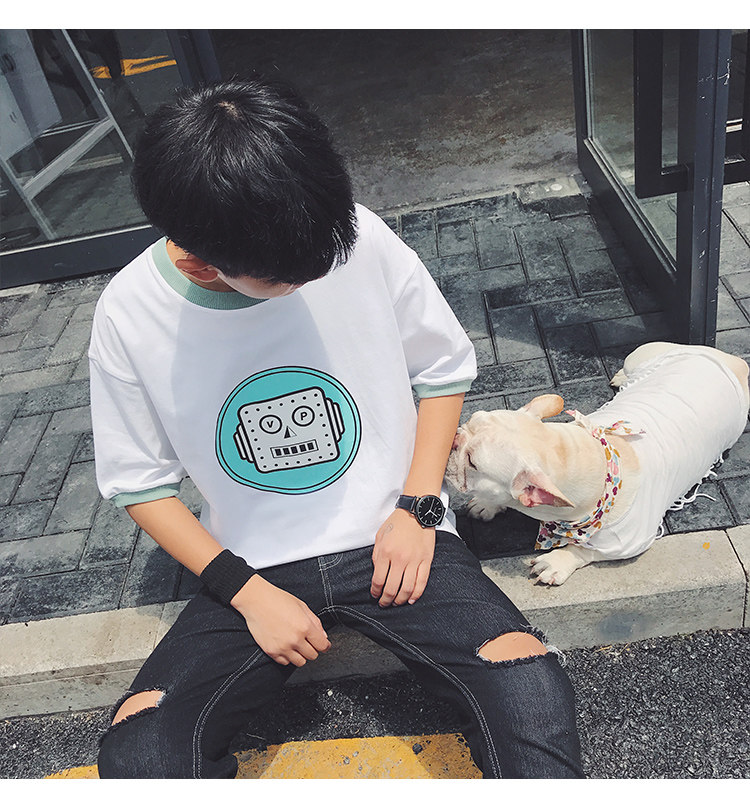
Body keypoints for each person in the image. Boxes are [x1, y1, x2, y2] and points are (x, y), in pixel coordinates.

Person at [90, 77, 583, 779]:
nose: (313, 276)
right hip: (251, 563)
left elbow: (442, 368)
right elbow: (137, 482)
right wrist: (247, 592)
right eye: (284, 279)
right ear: (200, 260)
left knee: (530, 689)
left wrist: (420, 507)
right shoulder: (129, 312)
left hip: (399, 531)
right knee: (140, 748)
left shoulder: (350, 233)